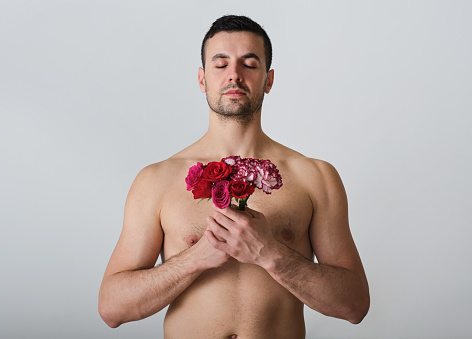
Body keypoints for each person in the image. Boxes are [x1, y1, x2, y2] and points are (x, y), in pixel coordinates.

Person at [98, 15, 369, 338]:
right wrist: (195, 259)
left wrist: (270, 253)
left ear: (268, 80)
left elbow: (354, 305)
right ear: (202, 80)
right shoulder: (157, 180)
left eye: (249, 64)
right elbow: (112, 308)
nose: (234, 75)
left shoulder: (315, 177)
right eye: (220, 64)